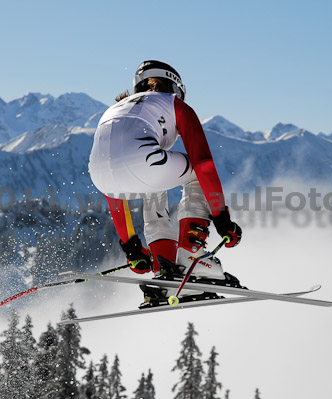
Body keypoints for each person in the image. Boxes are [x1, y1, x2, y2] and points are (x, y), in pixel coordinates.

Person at [89, 60, 242, 304]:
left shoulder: (115, 109)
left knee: (153, 179)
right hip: (144, 162)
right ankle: (192, 256)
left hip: (99, 175)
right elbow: (204, 163)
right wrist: (222, 218)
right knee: (195, 173)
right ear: (173, 87)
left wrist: (133, 249)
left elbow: (114, 187)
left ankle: (165, 265)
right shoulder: (175, 105)